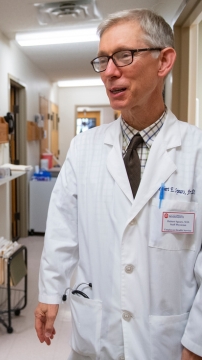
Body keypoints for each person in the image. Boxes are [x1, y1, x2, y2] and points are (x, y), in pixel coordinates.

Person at [35, 8, 202, 360]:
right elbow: (62, 229)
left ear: (164, 61)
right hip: (99, 333)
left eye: (123, 56)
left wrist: (198, 339)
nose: (109, 72)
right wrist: (50, 292)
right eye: (102, 60)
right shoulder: (85, 148)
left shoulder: (196, 151)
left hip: (168, 338)